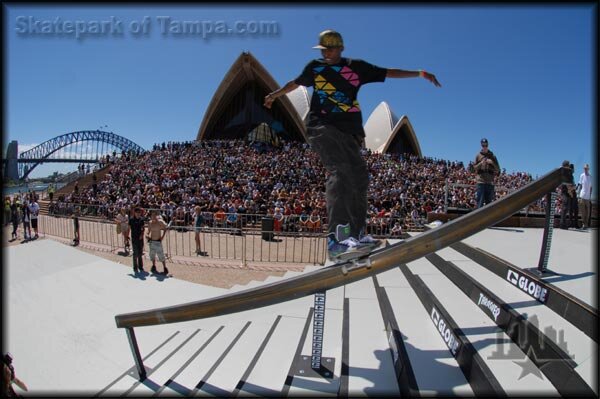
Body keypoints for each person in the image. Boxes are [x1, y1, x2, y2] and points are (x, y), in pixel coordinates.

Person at [264, 29, 441, 259]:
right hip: (321, 127)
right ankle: (336, 239)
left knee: (360, 178)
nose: (326, 53)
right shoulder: (314, 68)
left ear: (340, 48)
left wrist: (420, 73)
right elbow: (294, 83)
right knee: (341, 172)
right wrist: (274, 95)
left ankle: (356, 234)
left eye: (330, 49)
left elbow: (389, 72)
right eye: (323, 50)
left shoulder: (356, 67)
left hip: (350, 133)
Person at [473, 138, 500, 208]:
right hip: (481, 182)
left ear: (488, 145)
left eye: (486, 145)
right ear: (481, 145)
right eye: (483, 145)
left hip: (489, 182)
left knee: (489, 205)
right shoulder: (478, 155)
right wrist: (481, 163)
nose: (484, 147)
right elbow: (474, 168)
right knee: (480, 203)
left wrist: (492, 162)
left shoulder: (493, 156)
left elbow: (498, 169)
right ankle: (479, 218)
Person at [146, 210, 169, 275]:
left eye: (154, 215)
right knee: (152, 255)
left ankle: (164, 267)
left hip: (158, 241)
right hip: (152, 241)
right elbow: (148, 231)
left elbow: (165, 228)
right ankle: (153, 266)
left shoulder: (160, 222)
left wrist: (162, 236)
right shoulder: (150, 223)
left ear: (156, 215)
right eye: (152, 215)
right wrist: (147, 235)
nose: (153, 216)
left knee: (161, 255)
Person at [129, 207, 146, 274]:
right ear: (134, 212)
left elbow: (143, 228)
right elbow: (129, 228)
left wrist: (142, 235)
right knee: (135, 253)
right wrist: (127, 236)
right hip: (134, 238)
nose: (138, 214)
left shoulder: (141, 220)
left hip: (140, 238)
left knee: (140, 252)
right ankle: (135, 267)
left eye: (139, 212)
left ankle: (140, 266)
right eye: (137, 212)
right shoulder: (131, 219)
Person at [576, 163, 593, 229]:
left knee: (588, 212)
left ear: (588, 169)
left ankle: (586, 224)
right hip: (582, 196)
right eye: (584, 168)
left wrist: (590, 196)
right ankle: (584, 224)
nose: (585, 169)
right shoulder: (581, 175)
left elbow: (591, 187)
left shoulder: (591, 177)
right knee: (583, 212)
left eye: (586, 168)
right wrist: (578, 194)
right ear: (583, 169)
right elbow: (580, 185)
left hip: (588, 197)